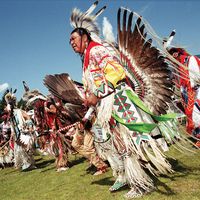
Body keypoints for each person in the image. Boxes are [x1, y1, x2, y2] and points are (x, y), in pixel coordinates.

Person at [68, 3, 179, 198]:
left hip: (118, 102)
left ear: (85, 37)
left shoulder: (96, 50)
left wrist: (97, 94)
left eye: (74, 38)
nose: (71, 43)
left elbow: (115, 71)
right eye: (69, 41)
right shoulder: (86, 57)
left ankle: (141, 185)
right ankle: (132, 179)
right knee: (118, 144)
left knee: (126, 143)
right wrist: (90, 105)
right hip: (107, 105)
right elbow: (95, 85)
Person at [168, 47, 200, 147]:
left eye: (174, 52)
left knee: (195, 114)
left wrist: (194, 87)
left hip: (196, 90)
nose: (173, 54)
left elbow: (197, 75)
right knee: (191, 116)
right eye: (171, 53)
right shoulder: (176, 66)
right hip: (186, 92)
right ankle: (198, 137)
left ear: (178, 52)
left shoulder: (190, 59)